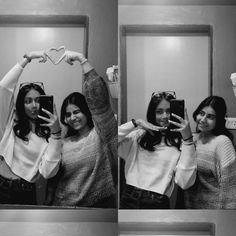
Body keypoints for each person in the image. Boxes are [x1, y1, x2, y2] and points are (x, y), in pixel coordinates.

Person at [45, 50, 117, 208]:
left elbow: (99, 99)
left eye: (76, 112)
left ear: (86, 111)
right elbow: (50, 176)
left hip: (98, 208)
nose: (72, 118)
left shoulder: (101, 134)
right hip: (63, 207)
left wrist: (81, 60)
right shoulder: (63, 143)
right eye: (68, 114)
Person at [0, 50, 62, 205]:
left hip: (24, 190)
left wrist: (56, 133)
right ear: (21, 104)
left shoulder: (49, 134)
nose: (34, 105)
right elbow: (3, 88)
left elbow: (48, 172)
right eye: (28, 101)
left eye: (37, 100)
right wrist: (27, 59)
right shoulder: (11, 121)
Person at [118, 91, 197, 209]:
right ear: (152, 114)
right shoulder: (139, 136)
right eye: (159, 112)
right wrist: (136, 122)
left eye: (169, 111)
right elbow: (107, 139)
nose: (164, 116)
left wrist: (188, 139)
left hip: (157, 202)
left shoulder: (183, 143)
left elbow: (185, 182)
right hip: (128, 198)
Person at [178, 96, 236, 208]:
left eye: (210, 117)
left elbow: (231, 189)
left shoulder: (222, 142)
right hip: (191, 212)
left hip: (214, 214)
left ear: (218, 120)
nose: (203, 119)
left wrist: (226, 219)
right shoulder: (191, 139)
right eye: (201, 113)